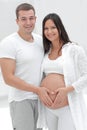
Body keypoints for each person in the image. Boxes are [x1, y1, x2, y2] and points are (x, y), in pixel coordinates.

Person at [0, 3, 54, 130]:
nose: (28, 22)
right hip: (21, 100)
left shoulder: (40, 40)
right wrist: (37, 90)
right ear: (17, 21)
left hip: (41, 100)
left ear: (35, 19)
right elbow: (8, 78)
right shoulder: (8, 43)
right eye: (23, 19)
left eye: (31, 18)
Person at [37, 13, 87, 130]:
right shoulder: (45, 52)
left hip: (67, 106)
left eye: (53, 27)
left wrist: (66, 90)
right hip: (49, 108)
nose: (49, 31)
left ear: (60, 28)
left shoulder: (74, 49)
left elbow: (86, 76)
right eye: (46, 28)